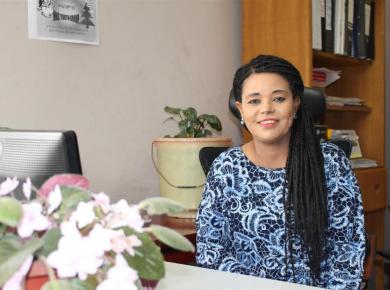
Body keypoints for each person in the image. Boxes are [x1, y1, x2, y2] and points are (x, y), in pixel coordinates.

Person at [196, 55, 366, 289]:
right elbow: (211, 250)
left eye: (278, 98)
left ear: (295, 104)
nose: (266, 109)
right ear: (241, 110)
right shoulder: (226, 168)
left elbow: (346, 250)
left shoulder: (330, 163)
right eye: (254, 101)